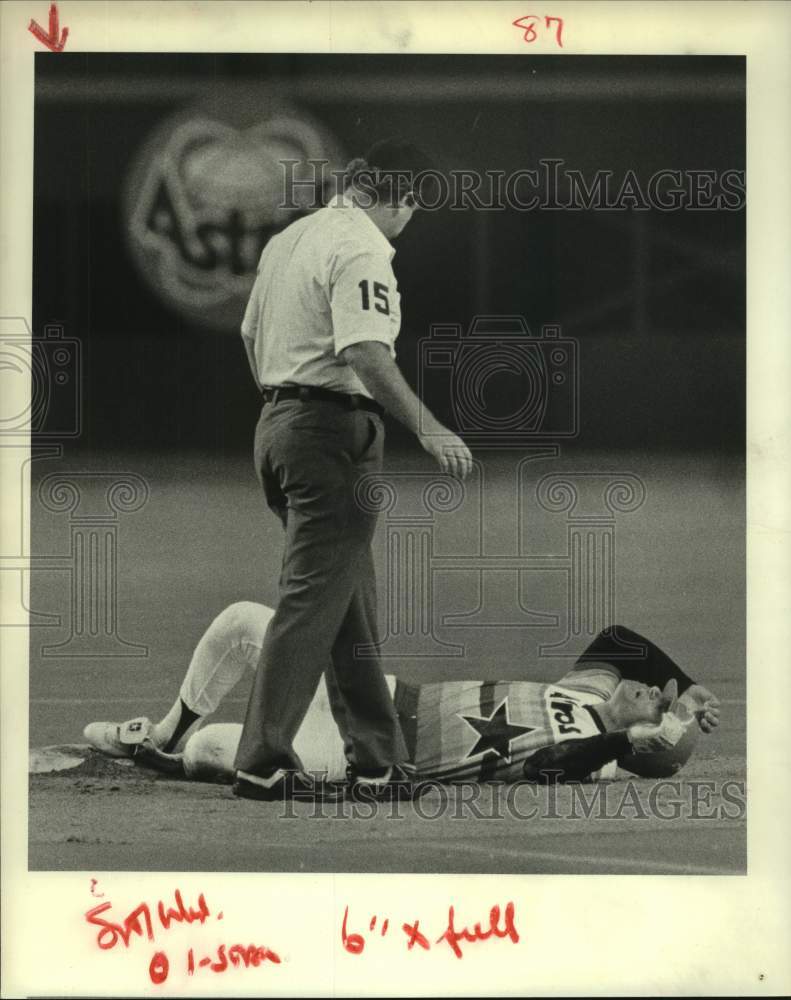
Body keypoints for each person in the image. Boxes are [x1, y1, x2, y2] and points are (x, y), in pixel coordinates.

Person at [233, 137, 473, 802]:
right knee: (314, 600)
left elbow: (251, 334)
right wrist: (428, 426)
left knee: (346, 599)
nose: (407, 219)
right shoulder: (361, 245)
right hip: (327, 433)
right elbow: (365, 349)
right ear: (399, 196)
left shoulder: (291, 239)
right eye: (412, 206)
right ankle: (259, 760)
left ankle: (375, 760)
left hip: (278, 424)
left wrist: (283, 404)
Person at [83, 601, 721, 790]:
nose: (650, 690)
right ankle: (167, 729)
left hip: (374, 754)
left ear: (645, 743)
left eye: (659, 705)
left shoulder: (596, 753)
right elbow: (617, 639)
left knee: (218, 749)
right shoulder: (586, 692)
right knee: (246, 621)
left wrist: (627, 739)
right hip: (375, 695)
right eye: (659, 692)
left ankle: (180, 754)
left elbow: (553, 766)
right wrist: (688, 688)